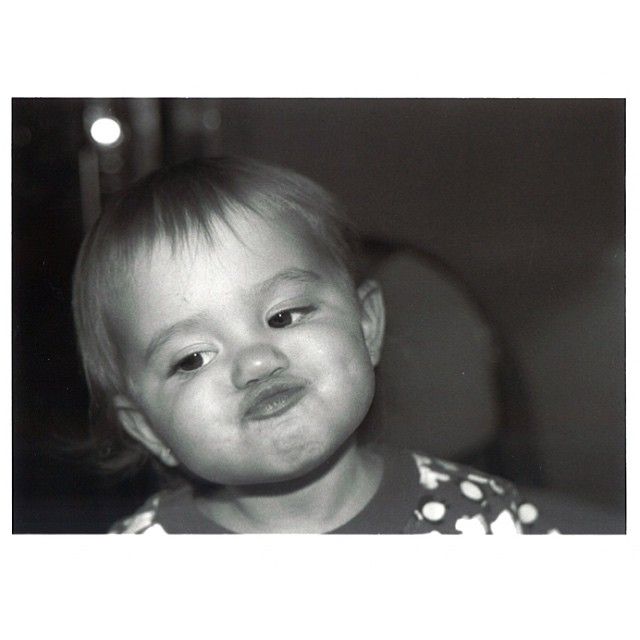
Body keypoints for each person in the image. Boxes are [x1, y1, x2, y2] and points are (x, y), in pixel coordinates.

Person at [72, 157, 557, 534]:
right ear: (147, 428)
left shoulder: (485, 517)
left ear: (366, 325)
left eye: (282, 316)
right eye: (192, 359)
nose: (257, 362)